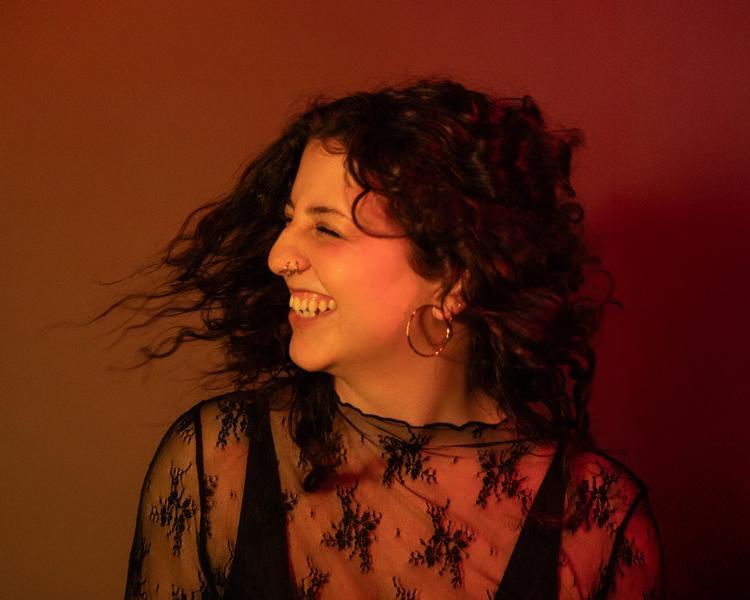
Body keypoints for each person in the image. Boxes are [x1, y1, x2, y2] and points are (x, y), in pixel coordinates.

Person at [121, 79, 664, 599]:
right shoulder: (219, 464)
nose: (279, 257)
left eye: (326, 228)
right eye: (289, 220)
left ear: (452, 278)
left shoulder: (599, 522)